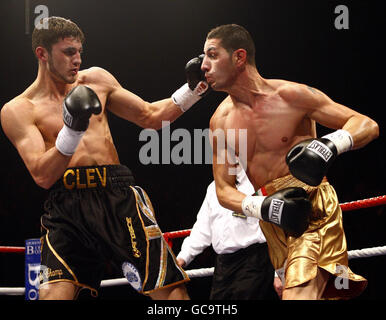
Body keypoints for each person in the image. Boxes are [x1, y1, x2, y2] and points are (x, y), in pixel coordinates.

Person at [0, 17, 210, 300]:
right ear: (42, 53)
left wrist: (192, 89)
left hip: (117, 197)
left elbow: (151, 117)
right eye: (68, 52)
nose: (77, 59)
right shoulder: (19, 110)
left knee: (169, 291)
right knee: (51, 295)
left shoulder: (96, 79)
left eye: (79, 51)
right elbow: (42, 175)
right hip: (66, 206)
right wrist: (72, 130)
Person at [201, 24, 379, 300]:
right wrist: (263, 206)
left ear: (239, 57)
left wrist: (329, 145)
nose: (203, 65)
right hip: (272, 219)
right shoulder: (219, 121)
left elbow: (366, 124)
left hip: (312, 210)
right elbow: (223, 191)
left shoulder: (291, 96)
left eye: (212, 55)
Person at [176, 165, 280, 300]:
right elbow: (202, 229)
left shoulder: (258, 183)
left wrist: (279, 273)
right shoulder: (213, 188)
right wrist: (182, 258)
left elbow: (277, 228)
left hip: (254, 261)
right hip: (223, 265)